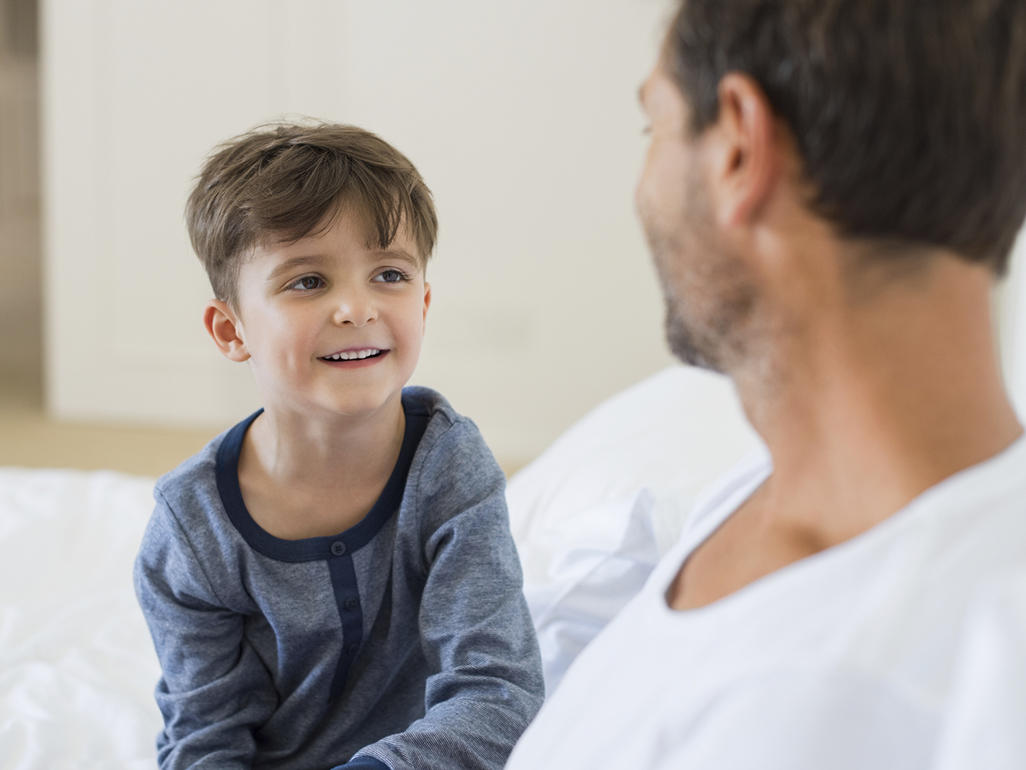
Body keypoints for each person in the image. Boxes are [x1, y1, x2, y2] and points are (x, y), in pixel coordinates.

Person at [507, 1, 1026, 767]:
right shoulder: (771, 493)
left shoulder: (829, 704)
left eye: (656, 127)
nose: (646, 182)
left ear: (739, 150)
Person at [133, 122, 543, 769]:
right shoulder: (193, 532)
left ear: (425, 302)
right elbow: (206, 738)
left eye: (388, 274)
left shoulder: (448, 468)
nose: (356, 307)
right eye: (307, 282)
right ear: (230, 329)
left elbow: (497, 692)